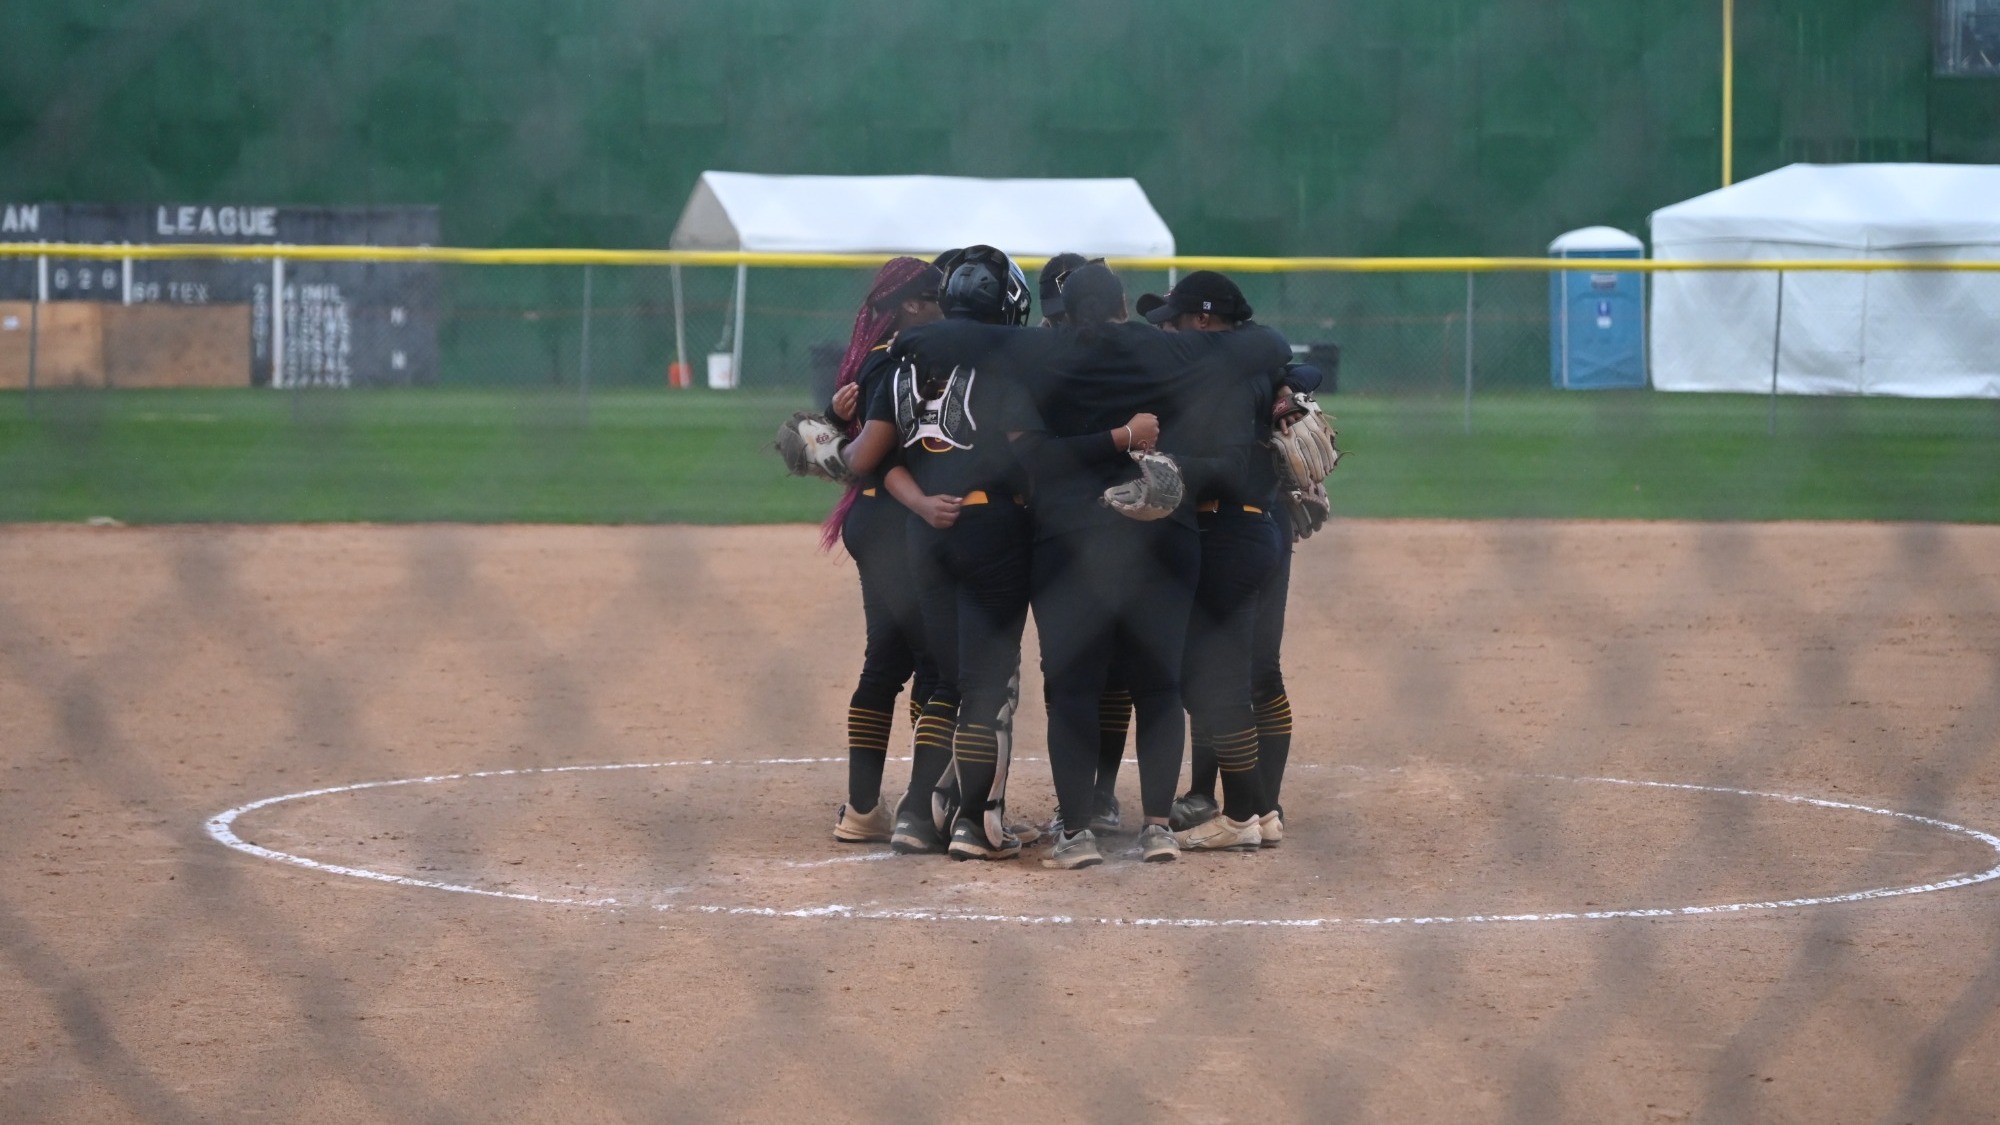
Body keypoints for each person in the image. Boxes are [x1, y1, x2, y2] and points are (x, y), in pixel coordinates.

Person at [1007, 262, 1292, 868]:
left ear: (1064, 311)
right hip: (1163, 531)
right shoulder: (1166, 349)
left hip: (1069, 534)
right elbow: (1264, 346)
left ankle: (1077, 832)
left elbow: (1033, 455)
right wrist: (1281, 383)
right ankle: (1158, 827)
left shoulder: (1039, 355)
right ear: (1120, 307)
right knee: (1160, 684)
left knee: (1075, 688)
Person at [1146, 272, 1325, 848]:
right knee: (1257, 673)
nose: (1169, 333)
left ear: (1203, 320)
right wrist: (1290, 386)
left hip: (1228, 530)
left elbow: (1223, 462)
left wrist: (1162, 466)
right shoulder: (1252, 362)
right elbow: (1302, 370)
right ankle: (1264, 808)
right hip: (1264, 526)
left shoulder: (1222, 372)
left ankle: (1244, 813)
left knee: (1216, 680)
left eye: (1175, 322)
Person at [879, 246, 1039, 859]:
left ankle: (917, 815)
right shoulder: (1004, 366)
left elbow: (880, 457)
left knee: (944, 679)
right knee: (987, 682)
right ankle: (977, 822)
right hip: (992, 528)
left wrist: (922, 503)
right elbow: (1028, 453)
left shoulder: (902, 364)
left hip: (925, 531)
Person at [822, 257, 946, 844]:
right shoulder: (900, 358)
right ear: (912, 304)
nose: (947, 303)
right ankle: (924, 809)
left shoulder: (882, 355)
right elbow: (874, 451)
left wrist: (829, 428)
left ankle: (864, 808)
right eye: (937, 295)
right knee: (934, 663)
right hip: (900, 521)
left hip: (878, 519)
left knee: (889, 661)